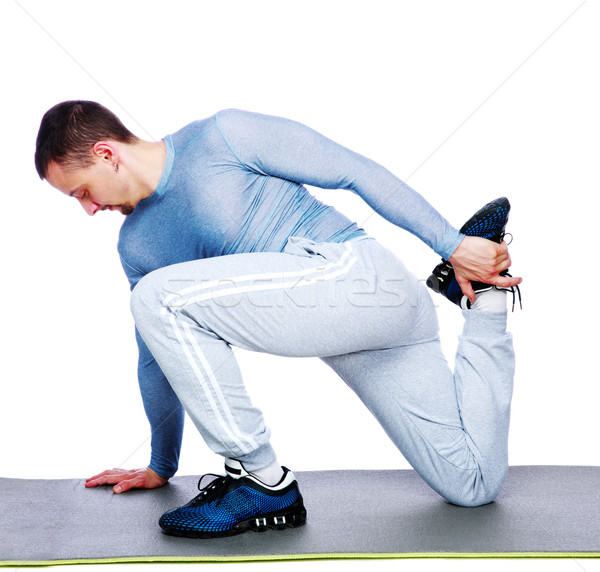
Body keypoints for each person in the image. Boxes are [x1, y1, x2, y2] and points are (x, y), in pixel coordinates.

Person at [35, 101, 522, 538]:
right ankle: (485, 298)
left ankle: (261, 481)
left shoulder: (223, 136)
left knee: (155, 298)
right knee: (471, 484)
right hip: (359, 332)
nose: (90, 209)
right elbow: (155, 358)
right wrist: (161, 465)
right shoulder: (137, 245)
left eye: (81, 192)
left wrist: (451, 244)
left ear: (106, 154)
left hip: (361, 277)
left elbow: (354, 171)